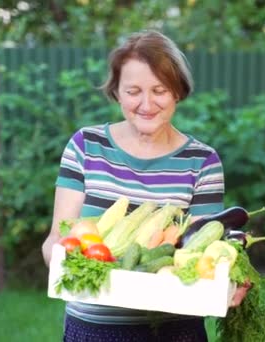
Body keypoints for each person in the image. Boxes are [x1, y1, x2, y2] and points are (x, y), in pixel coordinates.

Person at [42, 30, 247, 342]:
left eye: (160, 90)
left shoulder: (202, 161)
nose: (146, 104)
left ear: (177, 92)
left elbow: (207, 247)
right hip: (93, 328)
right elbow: (57, 237)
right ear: (117, 93)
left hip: (174, 329)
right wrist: (61, 262)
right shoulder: (86, 145)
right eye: (133, 90)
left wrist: (230, 277)